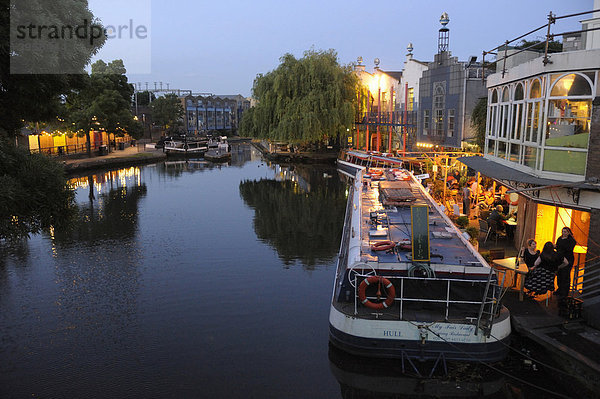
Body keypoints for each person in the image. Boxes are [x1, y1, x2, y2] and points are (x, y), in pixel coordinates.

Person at [555, 227, 577, 300]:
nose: (564, 233)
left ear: (568, 232)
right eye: (563, 231)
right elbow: (558, 246)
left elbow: (568, 249)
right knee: (559, 274)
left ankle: (565, 292)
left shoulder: (571, 240)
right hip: (560, 259)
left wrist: (560, 248)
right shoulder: (559, 239)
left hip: (568, 259)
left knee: (565, 275)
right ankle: (559, 289)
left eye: (565, 232)